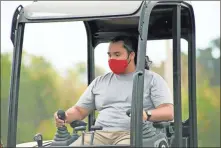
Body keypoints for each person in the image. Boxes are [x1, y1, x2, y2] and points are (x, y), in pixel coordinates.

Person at [54, 36, 174, 146]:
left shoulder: (152, 79)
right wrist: (65, 116)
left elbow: (168, 111)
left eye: (117, 55)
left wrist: (146, 114)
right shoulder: (100, 81)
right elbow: (79, 111)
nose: (112, 59)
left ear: (131, 55)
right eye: (109, 55)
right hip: (99, 134)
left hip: (134, 134)